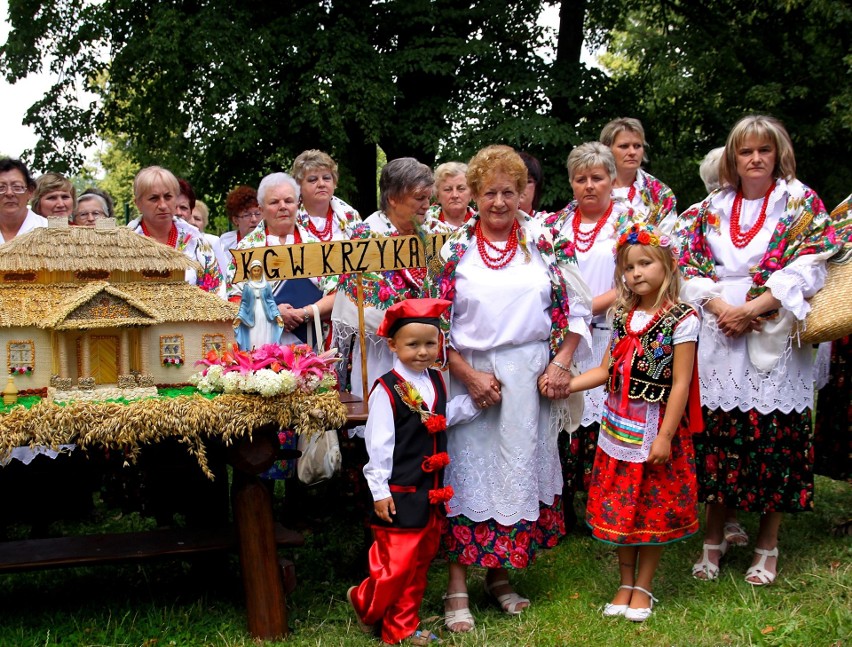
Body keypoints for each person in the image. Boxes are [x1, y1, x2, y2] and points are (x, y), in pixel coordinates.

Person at [429, 145, 591, 632]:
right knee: (467, 477)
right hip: (470, 374)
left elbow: (578, 311)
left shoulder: (546, 241)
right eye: (488, 192)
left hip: (529, 375)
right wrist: (468, 375)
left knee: (512, 475)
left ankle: (498, 576)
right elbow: (434, 323)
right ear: (472, 196)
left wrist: (561, 362)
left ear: (523, 193)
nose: (499, 202)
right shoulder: (452, 249)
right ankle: (457, 584)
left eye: (509, 191)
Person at [677, 114, 839, 585]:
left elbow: (811, 263)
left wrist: (753, 308)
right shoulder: (710, 207)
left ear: (777, 155)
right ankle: (714, 537)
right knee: (721, 437)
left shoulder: (799, 201)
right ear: (733, 157)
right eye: (745, 151)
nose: (754, 159)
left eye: (763, 150)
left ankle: (767, 544)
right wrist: (721, 306)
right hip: (719, 327)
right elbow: (683, 261)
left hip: (773, 323)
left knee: (774, 436)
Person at [569, 222, 700, 622]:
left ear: (667, 265)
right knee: (619, 505)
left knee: (650, 509)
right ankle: (624, 581)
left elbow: (680, 384)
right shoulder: (623, 313)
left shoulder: (682, 319)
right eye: (628, 267)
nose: (636, 273)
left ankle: (644, 585)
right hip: (616, 428)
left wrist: (663, 437)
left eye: (645, 264)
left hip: (655, 430)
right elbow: (607, 369)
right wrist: (567, 385)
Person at [347, 298, 479, 646]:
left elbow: (441, 416)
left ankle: (390, 618)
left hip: (429, 493)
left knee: (418, 564)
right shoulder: (386, 390)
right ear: (393, 345)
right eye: (413, 344)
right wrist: (380, 490)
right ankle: (382, 616)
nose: (423, 352)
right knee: (397, 566)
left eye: (430, 344)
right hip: (399, 493)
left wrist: (479, 401)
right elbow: (378, 445)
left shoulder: (436, 380)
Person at [543, 142, 638, 530]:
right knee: (565, 418)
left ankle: (605, 506)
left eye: (597, 177)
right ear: (571, 183)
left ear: (612, 180)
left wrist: (586, 309)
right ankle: (563, 507)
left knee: (604, 418)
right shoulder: (555, 225)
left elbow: (636, 276)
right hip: (566, 336)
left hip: (607, 331)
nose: (589, 186)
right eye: (580, 179)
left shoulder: (629, 222)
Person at [332, 158, 451, 404]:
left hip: (433, 350)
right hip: (384, 353)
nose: (427, 205)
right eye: (419, 198)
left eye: (428, 198)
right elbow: (359, 305)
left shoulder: (440, 233)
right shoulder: (365, 237)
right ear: (393, 198)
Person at [228, 172, 334, 346]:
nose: (283, 206)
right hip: (261, 349)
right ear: (261, 209)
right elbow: (234, 299)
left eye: (289, 201)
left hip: (313, 347)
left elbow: (336, 294)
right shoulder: (245, 250)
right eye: (274, 202)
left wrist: (304, 313)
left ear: (298, 204)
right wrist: (272, 313)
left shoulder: (319, 247)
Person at [128, 166, 225, 298]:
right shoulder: (124, 243)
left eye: (168, 197)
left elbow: (216, 293)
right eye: (154, 198)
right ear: (138, 203)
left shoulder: (196, 241)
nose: (162, 205)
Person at [600, 118, 677, 232]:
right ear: (606, 149)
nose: (632, 152)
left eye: (637, 146)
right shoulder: (592, 186)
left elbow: (669, 242)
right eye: (624, 146)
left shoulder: (660, 194)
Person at [291, 149, 361, 242]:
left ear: (334, 182)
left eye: (326, 178)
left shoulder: (350, 215)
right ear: (298, 186)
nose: (321, 184)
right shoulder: (288, 217)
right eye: (313, 179)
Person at [233, 259, 285, 350]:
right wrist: (239, 316)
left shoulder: (266, 285)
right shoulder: (248, 286)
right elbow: (244, 303)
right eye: (254, 270)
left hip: (265, 314)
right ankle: (253, 352)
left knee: (265, 333)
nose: (256, 273)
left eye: (258, 270)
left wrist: (277, 315)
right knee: (253, 333)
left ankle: (266, 352)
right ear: (251, 272)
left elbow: (271, 301)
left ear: (261, 271)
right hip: (252, 314)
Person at [219, 185, 263, 278]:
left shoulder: (272, 240)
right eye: (247, 215)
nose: (254, 219)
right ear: (235, 220)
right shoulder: (225, 243)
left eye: (258, 213)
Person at [0, 157, 45, 244]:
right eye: (1, 188)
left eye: (17, 187)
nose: (9, 193)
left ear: (30, 192)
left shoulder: (48, 228)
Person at [426, 161, 474, 229]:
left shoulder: (483, 222)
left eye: (461, 189)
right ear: (437, 195)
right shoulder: (422, 223)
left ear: (471, 193)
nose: (455, 195)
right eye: (448, 189)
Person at [518, 151, 544, 218]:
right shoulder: (491, 223)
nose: (520, 186)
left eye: (528, 181)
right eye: (515, 180)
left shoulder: (550, 224)